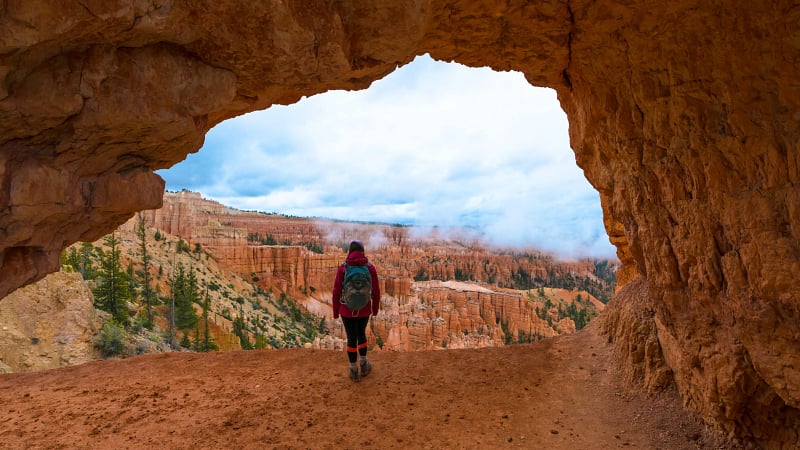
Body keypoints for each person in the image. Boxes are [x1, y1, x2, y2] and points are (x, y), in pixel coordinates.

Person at [332, 240, 381, 381]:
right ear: (363, 251)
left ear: (350, 252)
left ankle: (354, 371)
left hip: (346, 310)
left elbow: (336, 291)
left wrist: (336, 311)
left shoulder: (343, 268)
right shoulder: (370, 268)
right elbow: (376, 291)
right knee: (361, 335)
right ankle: (364, 365)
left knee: (351, 338)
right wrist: (375, 309)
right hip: (364, 309)